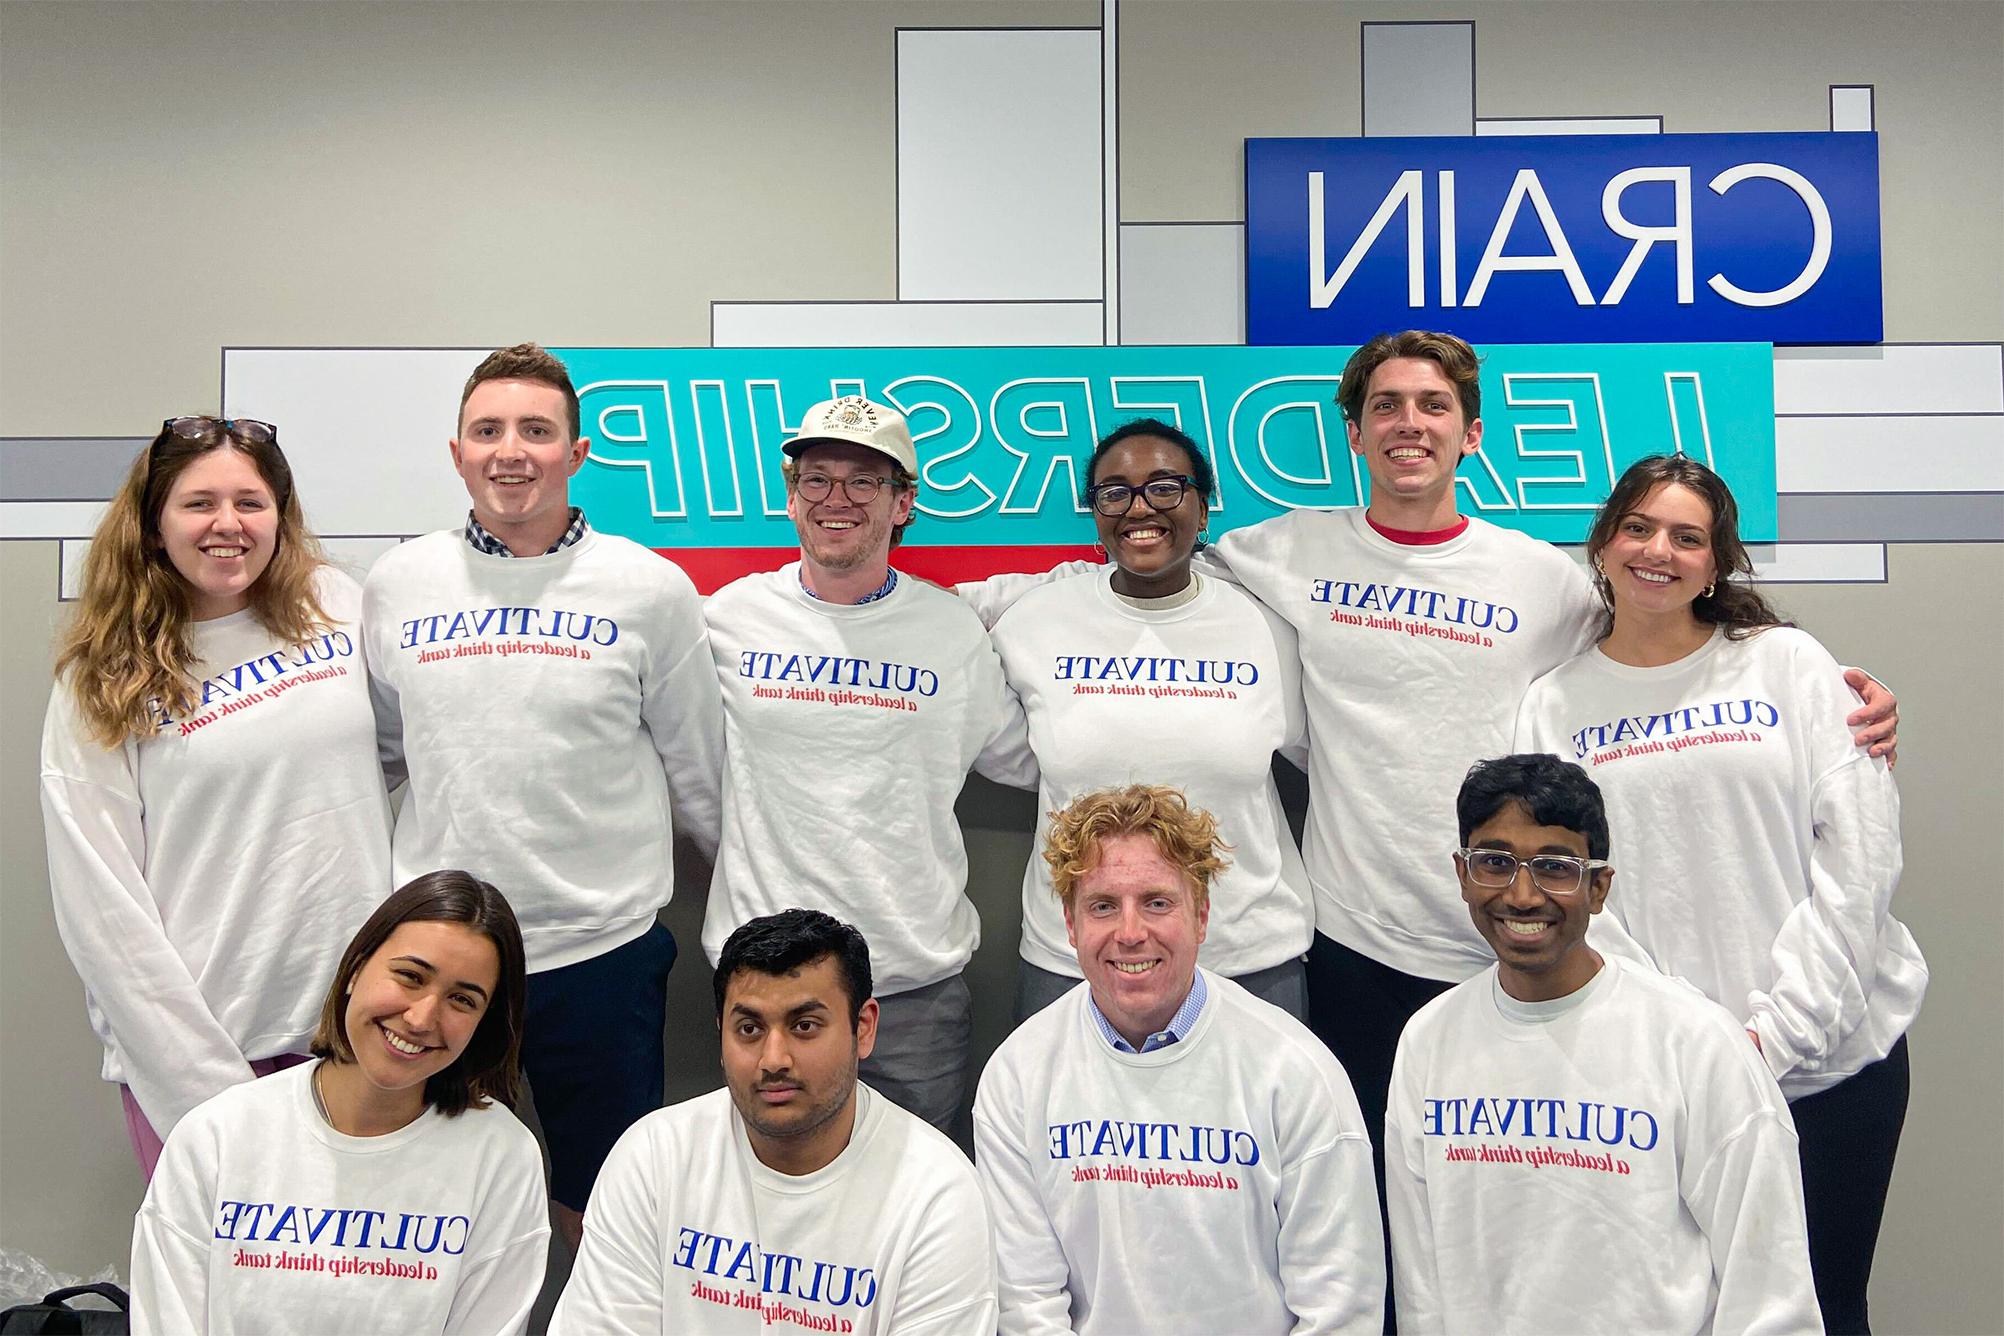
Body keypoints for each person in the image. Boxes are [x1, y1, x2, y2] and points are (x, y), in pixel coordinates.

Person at [1513, 454, 1923, 1335]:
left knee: (1821, 1307)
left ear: (1718, 559)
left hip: (1829, 1063)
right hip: (1661, 1076)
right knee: (1678, 1312)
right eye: (1639, 527)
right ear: (1605, 541)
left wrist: (1771, 1041)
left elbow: (1859, 861)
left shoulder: (1788, 665)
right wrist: (1692, 1049)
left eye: (1687, 537)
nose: (1659, 550)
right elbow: (1570, 895)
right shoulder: (1553, 703)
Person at [361, 343, 724, 1249]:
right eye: (488, 431)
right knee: (433, 1200)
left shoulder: (649, 587)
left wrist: (742, 920)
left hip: (599, 954)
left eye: (535, 430)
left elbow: (702, 773)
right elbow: (380, 754)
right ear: (457, 454)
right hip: (444, 961)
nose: (510, 451)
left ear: (577, 452)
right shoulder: (399, 584)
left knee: (599, 1209)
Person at [41, 415, 391, 1176]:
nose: (227, 524)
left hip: (357, 1037)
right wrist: (200, 1083)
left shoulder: (339, 605)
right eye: (199, 503)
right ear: (154, 524)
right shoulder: (102, 673)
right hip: (203, 1045)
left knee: (364, 1287)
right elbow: (100, 903)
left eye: (250, 502)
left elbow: (409, 747)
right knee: (221, 1289)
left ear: (281, 516)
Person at [1387, 754, 1820, 1335]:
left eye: (1555, 867)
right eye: (1495, 862)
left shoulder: (1697, 1044)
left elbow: (1772, 1298)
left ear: (1598, 887)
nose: (1521, 895)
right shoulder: (1428, 1041)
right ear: (1462, 874)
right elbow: (1423, 1290)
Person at [701, 396, 1026, 1132]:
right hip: (764, 983)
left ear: (903, 502)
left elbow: (1036, 761)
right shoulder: (726, 620)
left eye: (864, 482)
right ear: (790, 499)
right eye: (816, 480)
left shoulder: (950, 630)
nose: (836, 500)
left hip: (911, 989)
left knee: (916, 1207)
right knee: (766, 1206)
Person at [974, 785, 1383, 1336]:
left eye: (1157, 902)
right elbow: (1026, 1306)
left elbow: (1341, 1308)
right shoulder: (1016, 1076)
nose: (1130, 933)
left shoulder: (1295, 1072)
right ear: (1070, 926)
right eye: (1102, 906)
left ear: (1201, 916)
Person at [986, 418, 1313, 1022]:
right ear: (1095, 515)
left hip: (1246, 961)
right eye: (1115, 492)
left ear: (1203, 504)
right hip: (1077, 962)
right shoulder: (1036, 619)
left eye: (1166, 487)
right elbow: (949, 642)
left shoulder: (1268, 628)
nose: (1141, 508)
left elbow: (1324, 757)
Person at [130, 871, 550, 1336]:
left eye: (462, 1000)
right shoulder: (219, 1134)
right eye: (410, 976)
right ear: (354, 969)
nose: (421, 1018)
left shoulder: (502, 1156)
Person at [551, 908, 998, 1336]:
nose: (773, 1060)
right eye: (749, 1029)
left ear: (863, 1028)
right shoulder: (652, 1157)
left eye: (804, 1026)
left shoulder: (938, 1191)